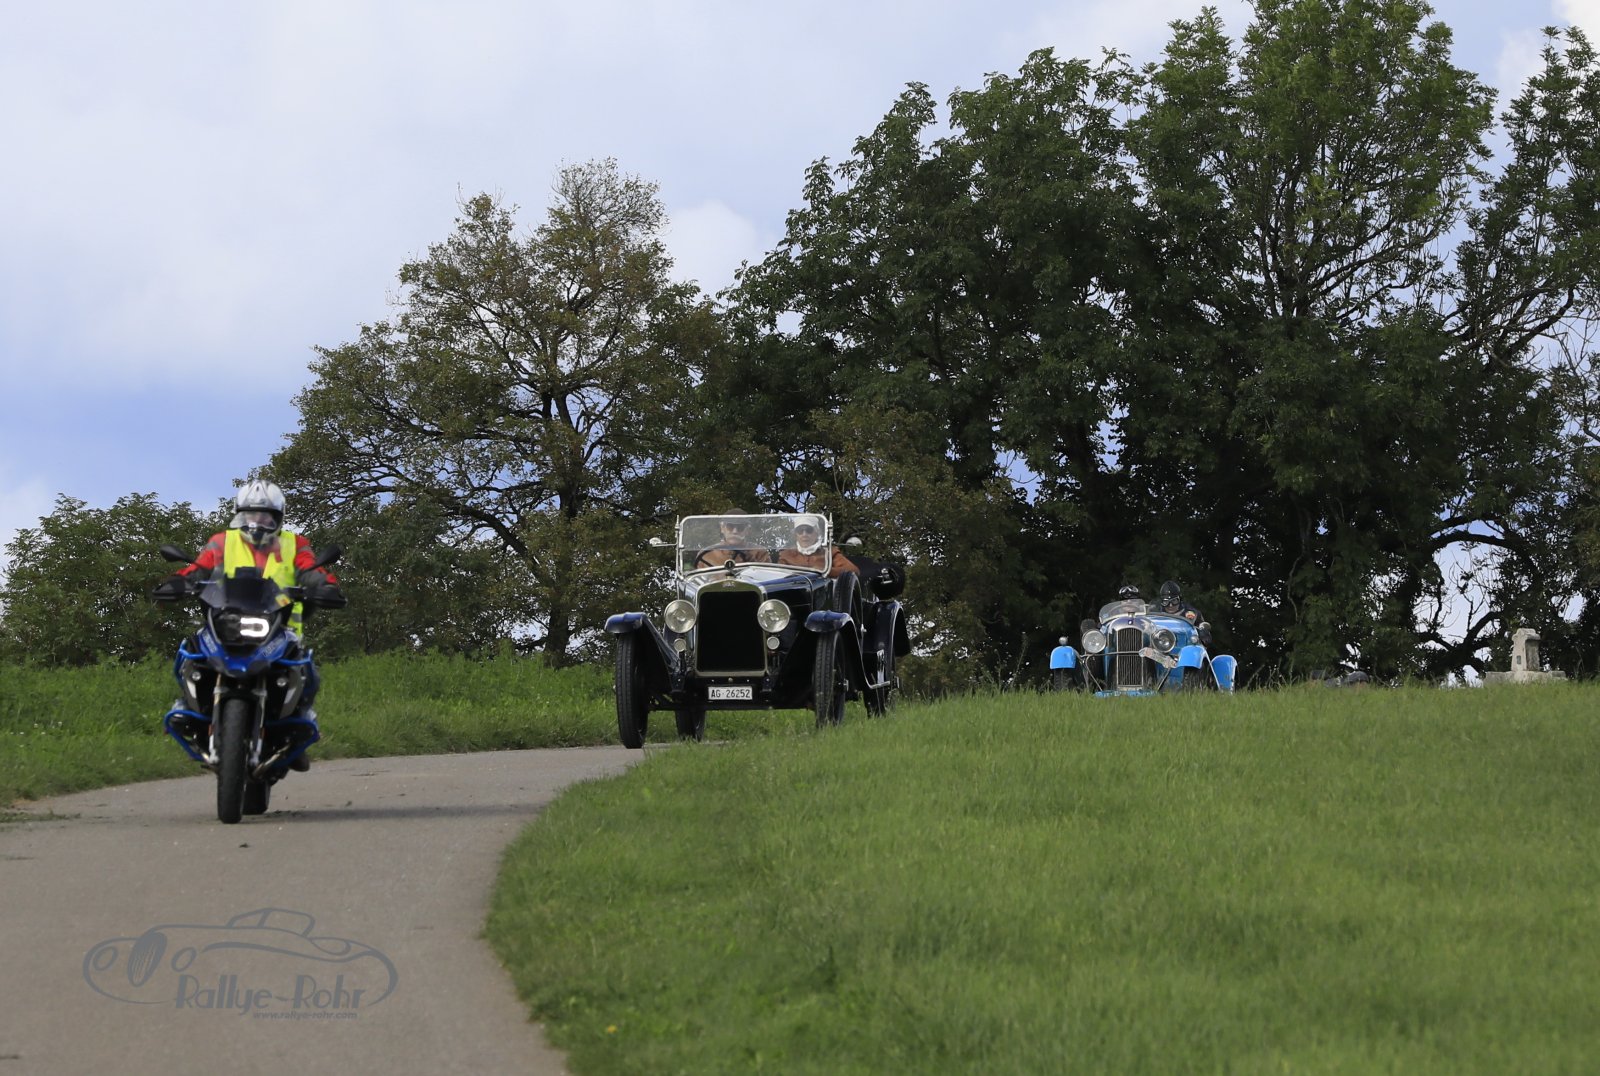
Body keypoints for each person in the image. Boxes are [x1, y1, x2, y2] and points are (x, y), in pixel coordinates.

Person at [154, 480, 342, 768]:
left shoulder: (294, 544)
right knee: (191, 652)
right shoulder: (222, 542)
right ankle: (186, 707)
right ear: (239, 514)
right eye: (251, 514)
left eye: (266, 517)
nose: (257, 522)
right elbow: (199, 567)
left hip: (279, 628)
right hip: (225, 621)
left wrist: (324, 586)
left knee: (307, 671)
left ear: (278, 518)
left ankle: (296, 726)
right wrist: (179, 582)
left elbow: (309, 568)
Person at [776, 515, 859, 579]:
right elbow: (778, 575)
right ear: (796, 535)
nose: (804, 534)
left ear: (817, 533)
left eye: (809, 530)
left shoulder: (829, 552)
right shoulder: (786, 554)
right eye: (800, 531)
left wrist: (826, 570)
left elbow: (853, 571)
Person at [692, 515, 772, 568]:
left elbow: (766, 577)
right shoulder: (706, 554)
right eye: (730, 526)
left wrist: (751, 560)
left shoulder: (759, 552)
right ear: (722, 528)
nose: (735, 531)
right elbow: (697, 581)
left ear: (747, 530)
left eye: (740, 527)